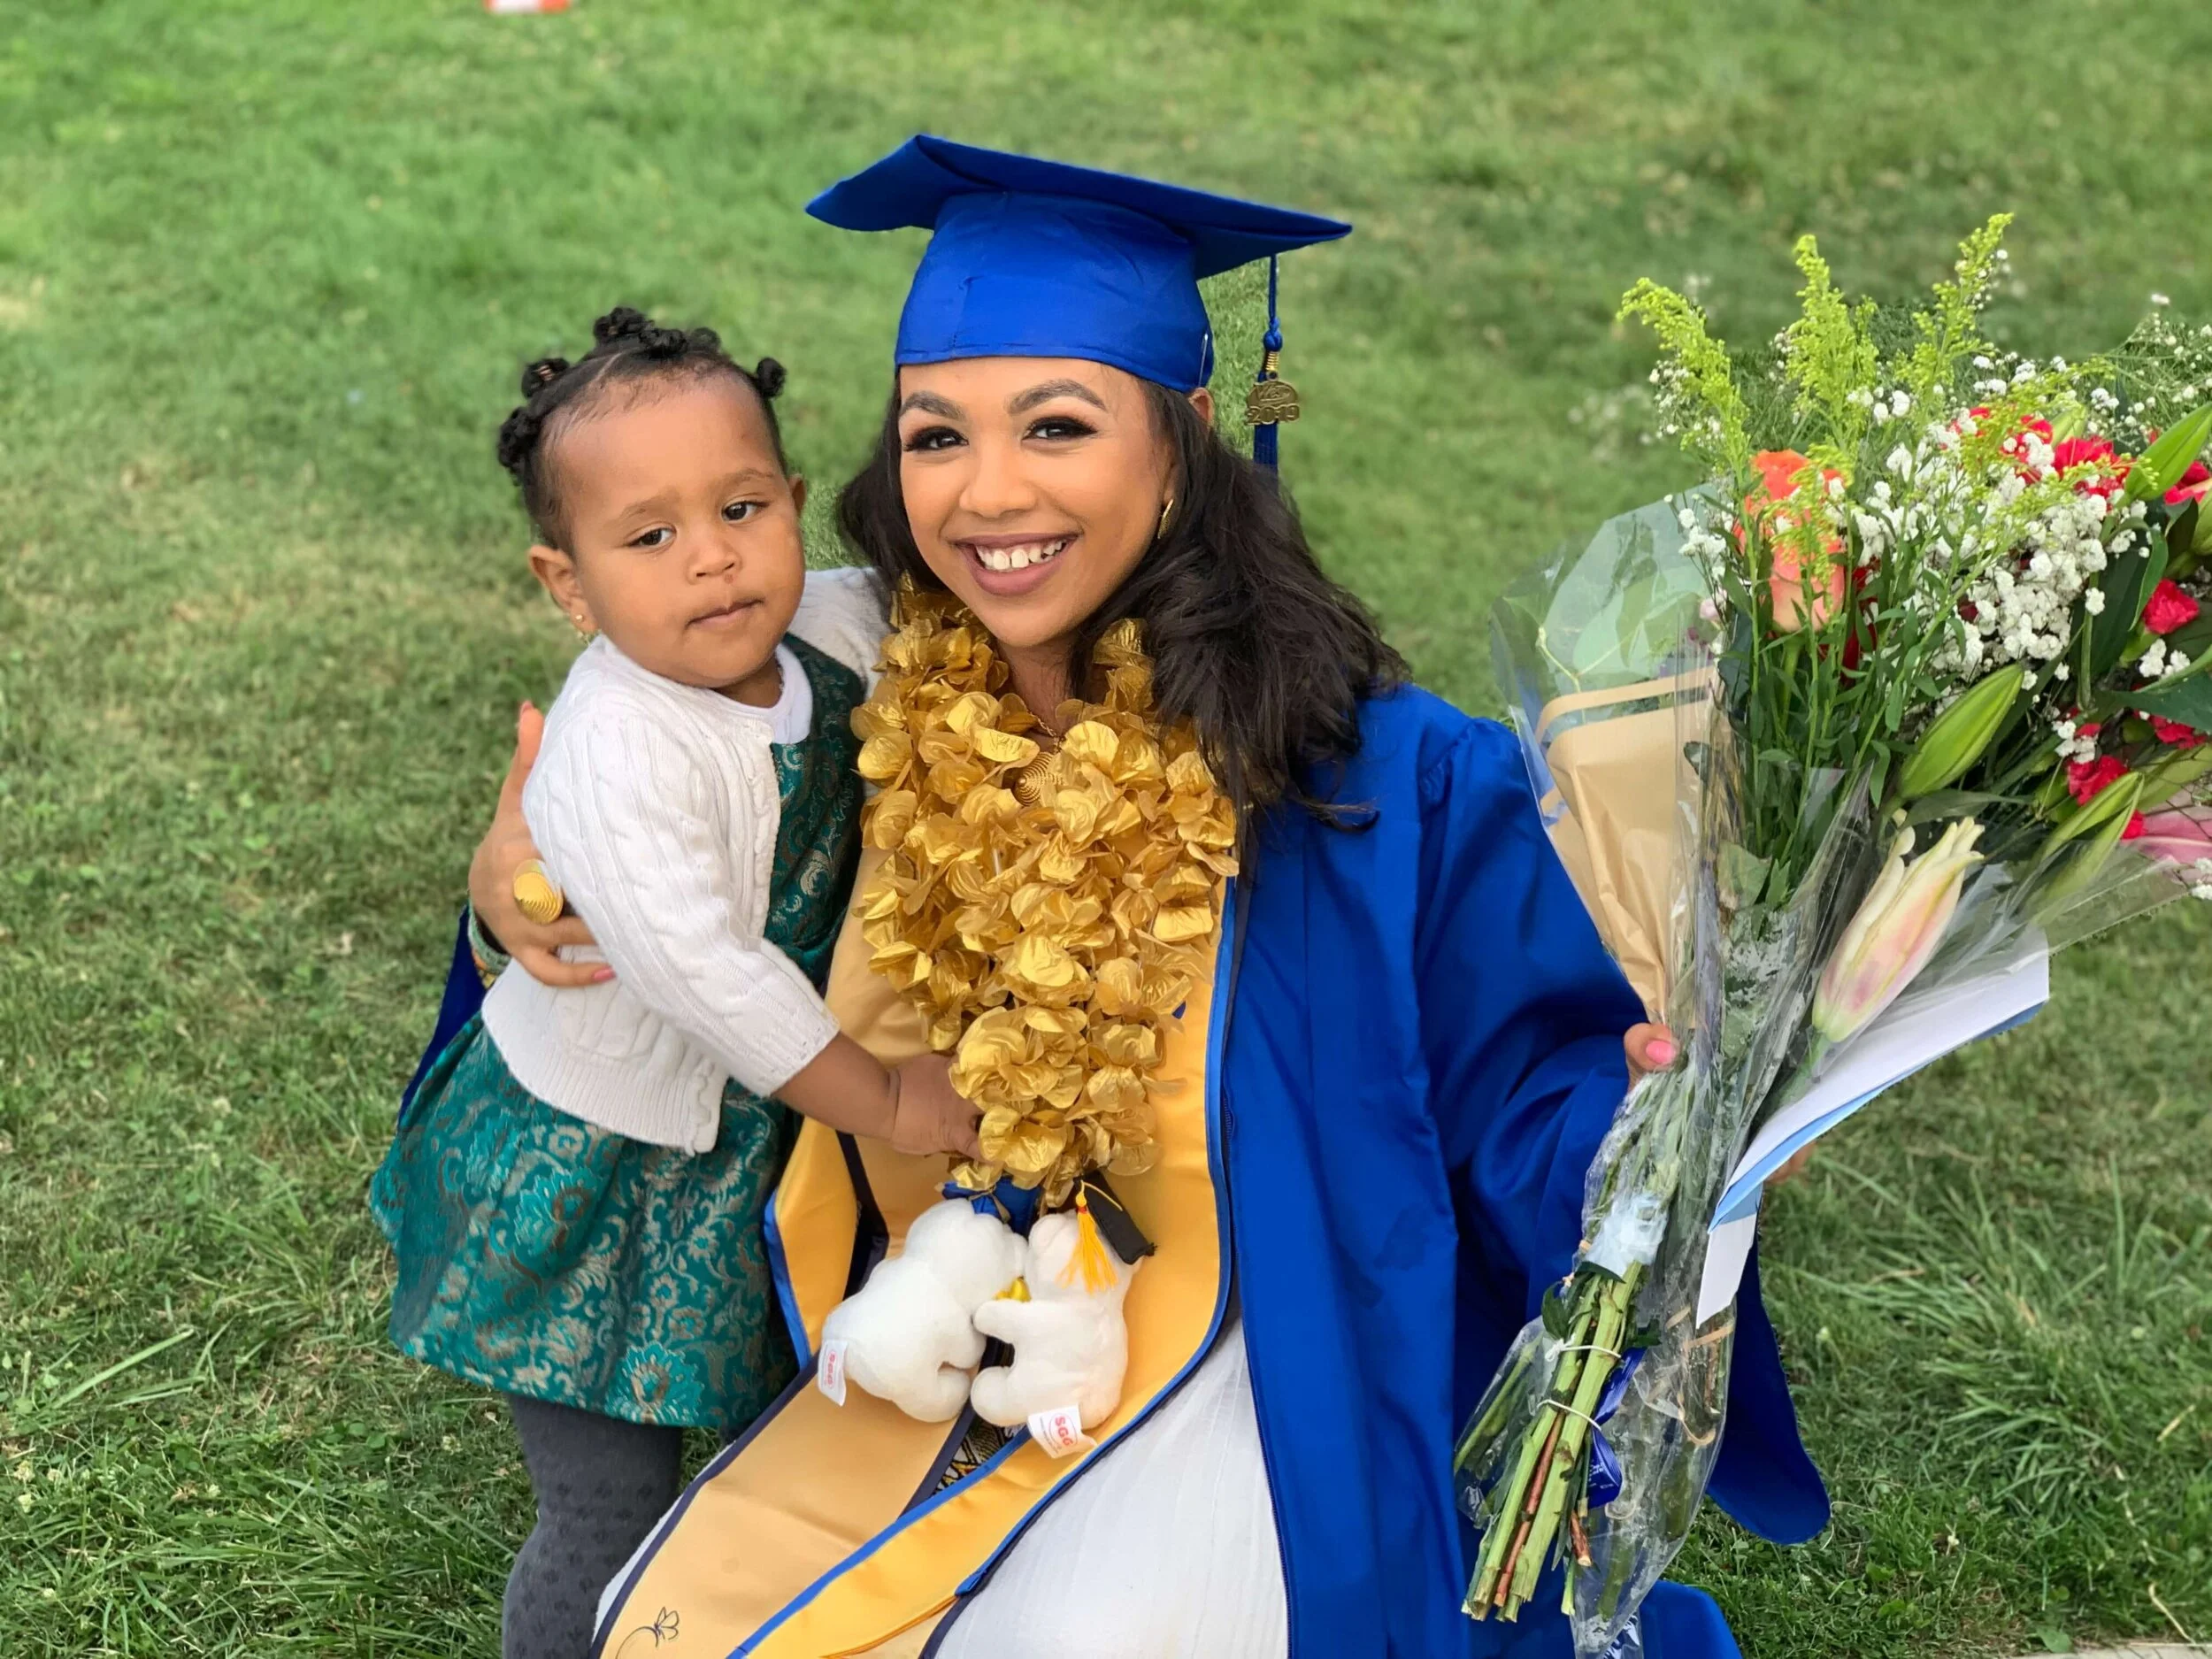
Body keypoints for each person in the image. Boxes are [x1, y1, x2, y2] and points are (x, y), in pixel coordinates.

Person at [434, 140, 1829, 1658]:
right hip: (944, 1316)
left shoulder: (1373, 783)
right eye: (936, 435)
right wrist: (517, 881)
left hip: (1255, 1361)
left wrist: (1683, 1125)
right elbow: (675, 825)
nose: (990, 493)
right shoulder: (884, 699)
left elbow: (1523, 1090)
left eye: (1058, 425)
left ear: (1185, 440)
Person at [370, 306, 977, 1659]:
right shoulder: (618, 748)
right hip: (584, 1163)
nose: (711, 555)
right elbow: (711, 975)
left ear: (793, 504)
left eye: (742, 507)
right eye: (648, 537)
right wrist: (892, 1099)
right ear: (569, 584)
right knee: (609, 1508)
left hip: (741, 1138)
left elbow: (942, 617)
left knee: (761, 1454)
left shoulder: (826, 623)